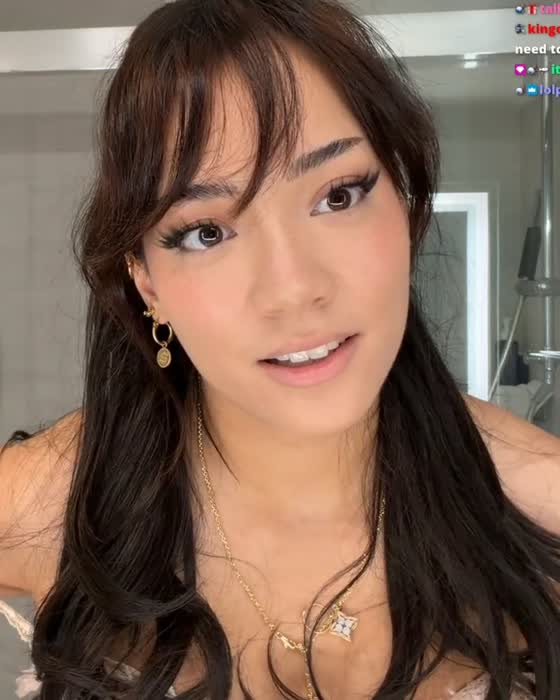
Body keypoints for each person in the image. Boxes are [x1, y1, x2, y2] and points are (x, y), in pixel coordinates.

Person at [0, 1, 559, 698]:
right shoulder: (52, 503)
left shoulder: (542, 500)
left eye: (338, 195)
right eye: (206, 232)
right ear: (146, 283)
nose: (293, 290)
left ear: (407, 202)